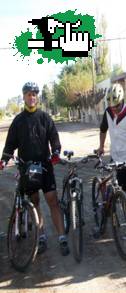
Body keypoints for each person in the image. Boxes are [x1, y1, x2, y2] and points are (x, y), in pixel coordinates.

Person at [0, 82, 69, 256]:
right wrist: (3, 160)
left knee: (52, 200)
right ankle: (42, 236)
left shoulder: (45, 117)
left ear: (37, 97)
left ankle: (62, 238)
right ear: (23, 96)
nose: (32, 97)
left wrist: (56, 152)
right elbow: (9, 145)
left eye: (34, 94)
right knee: (35, 202)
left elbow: (54, 138)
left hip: (45, 166)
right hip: (27, 168)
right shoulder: (18, 121)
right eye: (29, 94)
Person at [97, 83, 126, 245]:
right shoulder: (108, 112)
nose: (114, 109)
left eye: (116, 105)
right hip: (116, 158)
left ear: (122, 100)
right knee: (125, 194)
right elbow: (103, 129)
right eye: (112, 106)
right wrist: (101, 146)